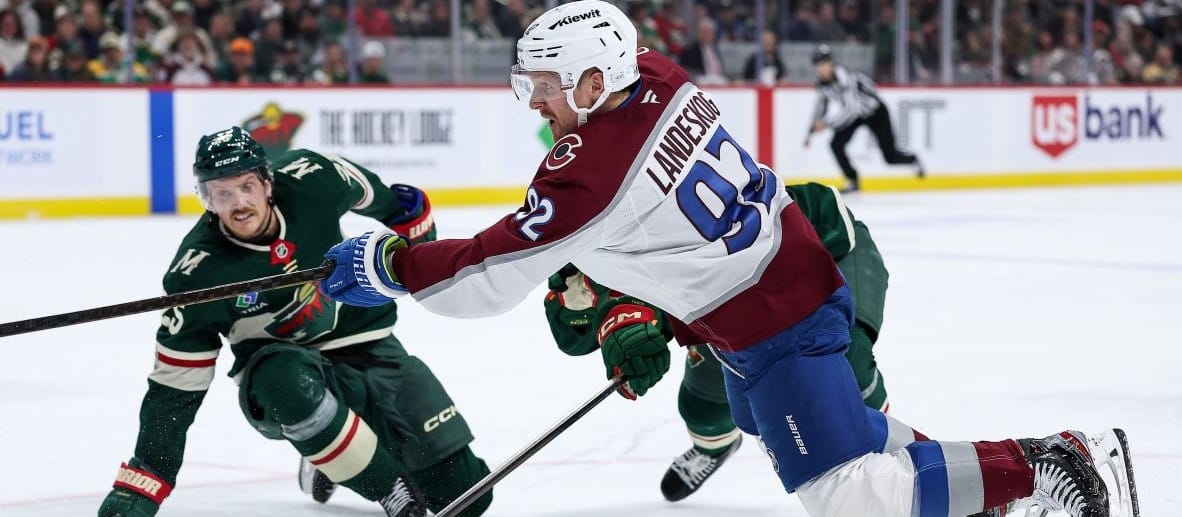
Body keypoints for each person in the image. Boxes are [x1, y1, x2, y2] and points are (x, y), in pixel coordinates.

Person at [318, 3, 1135, 516]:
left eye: (545, 85)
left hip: (774, 316)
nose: (534, 101)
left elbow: (486, 278)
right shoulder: (659, 75)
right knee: (823, 432)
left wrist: (389, 264)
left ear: (596, 77)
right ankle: (986, 491)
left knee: (844, 495)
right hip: (781, 284)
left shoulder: (591, 171)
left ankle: (1045, 463)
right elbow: (631, 224)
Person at [97, 127, 492, 517]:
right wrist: (144, 483)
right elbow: (174, 392)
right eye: (221, 193)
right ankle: (386, 485)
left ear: (267, 183)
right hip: (280, 377)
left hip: (366, 341)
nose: (238, 203)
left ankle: (327, 452)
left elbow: (384, 201)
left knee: (467, 496)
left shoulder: (313, 178)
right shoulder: (196, 275)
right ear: (207, 200)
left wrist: (413, 228)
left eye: (247, 186)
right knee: (287, 381)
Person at [542, 181, 892, 502]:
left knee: (848, 360)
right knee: (703, 407)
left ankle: (887, 455)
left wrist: (627, 307)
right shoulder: (592, 267)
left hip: (825, 247)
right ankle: (713, 448)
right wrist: (599, 310)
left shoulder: (663, 222)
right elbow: (572, 338)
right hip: (733, 295)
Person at [806, 44, 922, 193]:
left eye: (824, 63)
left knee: (890, 156)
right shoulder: (822, 84)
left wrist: (827, 123)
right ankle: (853, 179)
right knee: (836, 144)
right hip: (856, 115)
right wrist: (810, 131)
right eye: (818, 65)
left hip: (875, 112)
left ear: (832, 63)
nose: (821, 68)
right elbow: (821, 106)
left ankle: (912, 159)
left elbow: (851, 108)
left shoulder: (845, 77)